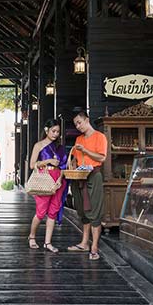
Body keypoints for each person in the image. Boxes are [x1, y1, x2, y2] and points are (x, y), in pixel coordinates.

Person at [68, 110, 107, 261]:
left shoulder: (100, 137)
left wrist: (86, 150)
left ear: (87, 120)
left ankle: (94, 247)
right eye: (76, 124)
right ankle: (84, 243)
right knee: (83, 212)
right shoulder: (78, 139)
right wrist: (72, 164)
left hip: (94, 176)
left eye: (79, 122)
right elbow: (76, 159)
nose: (78, 126)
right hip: (79, 177)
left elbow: (102, 158)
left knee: (95, 212)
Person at [27, 119, 68, 253]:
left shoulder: (60, 147)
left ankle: (47, 242)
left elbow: (63, 165)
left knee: (53, 211)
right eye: (53, 131)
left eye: (58, 131)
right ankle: (32, 236)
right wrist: (48, 161)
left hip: (58, 181)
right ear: (46, 130)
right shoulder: (38, 145)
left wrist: (60, 180)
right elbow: (32, 165)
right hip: (44, 178)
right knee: (41, 211)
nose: (56, 134)